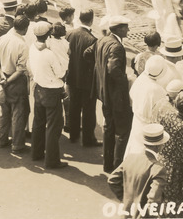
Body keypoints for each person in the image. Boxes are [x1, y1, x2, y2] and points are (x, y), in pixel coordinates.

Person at [85, 16, 133, 173]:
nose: (128, 30)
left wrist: (99, 72)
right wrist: (125, 80)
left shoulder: (102, 40)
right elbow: (113, 69)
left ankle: (107, 164)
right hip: (115, 95)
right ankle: (118, 165)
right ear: (119, 29)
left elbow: (87, 54)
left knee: (108, 127)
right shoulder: (116, 47)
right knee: (123, 131)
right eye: (126, 27)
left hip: (103, 92)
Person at [107, 123, 169, 218]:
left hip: (126, 214)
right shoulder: (158, 168)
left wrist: (125, 199)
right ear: (159, 146)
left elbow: (112, 180)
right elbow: (153, 200)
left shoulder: (130, 157)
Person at [29, 21, 68, 169]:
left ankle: (36, 153)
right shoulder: (49, 54)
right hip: (52, 91)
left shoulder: (33, 48)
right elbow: (60, 73)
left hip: (38, 88)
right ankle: (52, 160)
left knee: (38, 123)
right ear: (48, 35)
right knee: (53, 126)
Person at [0, 13, 30, 153]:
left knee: (2, 111)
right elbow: (20, 70)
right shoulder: (22, 45)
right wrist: (8, 80)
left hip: (1, 77)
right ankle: (17, 144)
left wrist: (2, 76)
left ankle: (1, 140)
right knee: (18, 114)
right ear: (25, 29)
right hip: (16, 82)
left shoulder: (2, 38)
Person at [155, 90, 183, 208]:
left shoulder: (167, 114)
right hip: (176, 166)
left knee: (161, 190)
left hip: (162, 159)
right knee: (174, 196)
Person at [124, 55, 168, 157]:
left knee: (133, 148)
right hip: (150, 127)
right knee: (146, 154)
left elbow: (132, 95)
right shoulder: (158, 90)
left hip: (137, 121)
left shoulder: (140, 79)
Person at [66, 10, 99, 147]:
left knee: (74, 107)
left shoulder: (70, 34)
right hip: (87, 81)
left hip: (72, 78)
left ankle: (73, 135)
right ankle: (88, 138)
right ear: (91, 20)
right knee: (88, 111)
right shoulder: (92, 39)